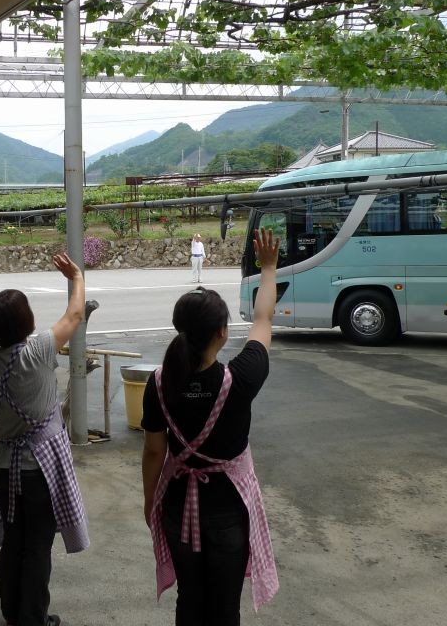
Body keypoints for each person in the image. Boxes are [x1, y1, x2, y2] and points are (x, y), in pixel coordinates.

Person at [141, 229, 281, 625]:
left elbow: (154, 451)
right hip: (227, 514)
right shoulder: (241, 377)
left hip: (176, 505)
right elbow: (264, 318)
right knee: (223, 607)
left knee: (190, 600)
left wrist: (150, 502)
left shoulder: (158, 382)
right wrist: (268, 269)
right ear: (222, 333)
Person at [0, 252, 89, 626]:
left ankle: (13, 612)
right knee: (39, 544)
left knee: (13, 541)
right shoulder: (39, 350)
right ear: (26, 322)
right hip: (39, 467)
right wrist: (75, 276)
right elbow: (75, 315)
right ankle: (33, 618)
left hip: (3, 465)